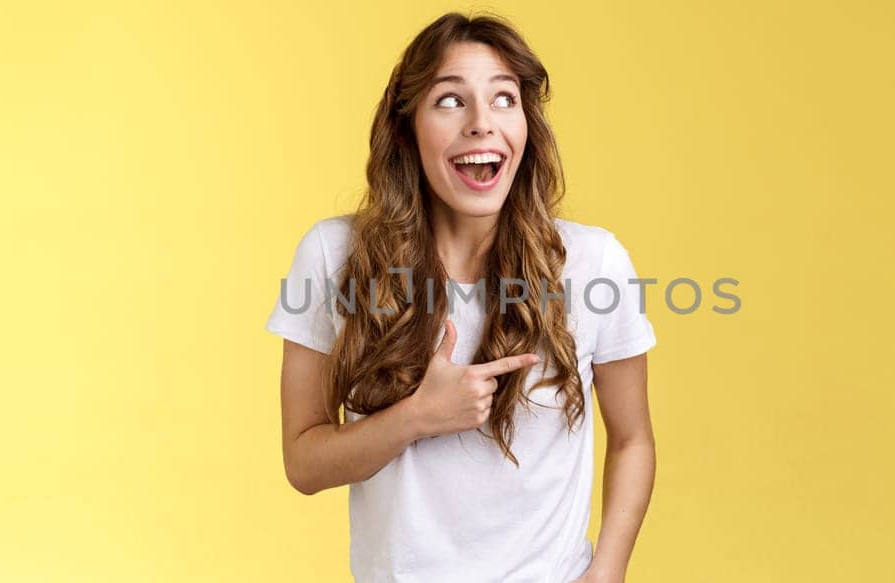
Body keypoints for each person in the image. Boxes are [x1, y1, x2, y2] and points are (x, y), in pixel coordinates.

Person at [266, 12, 657, 582]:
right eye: (450, 101)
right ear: (407, 127)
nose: (482, 123)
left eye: (504, 99)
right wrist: (416, 417)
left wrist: (608, 570)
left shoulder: (593, 263)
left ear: (526, 125)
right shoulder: (335, 255)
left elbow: (633, 439)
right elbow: (304, 463)